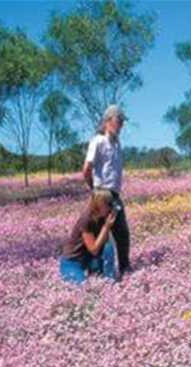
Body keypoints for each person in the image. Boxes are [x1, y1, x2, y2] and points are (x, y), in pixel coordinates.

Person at [83, 104, 131, 274]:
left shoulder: (117, 144)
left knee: (122, 233)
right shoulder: (98, 141)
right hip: (102, 194)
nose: (122, 125)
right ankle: (99, 271)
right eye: (119, 121)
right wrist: (95, 191)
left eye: (122, 122)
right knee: (102, 235)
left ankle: (124, 268)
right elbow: (86, 169)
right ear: (108, 121)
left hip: (115, 195)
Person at [59, 191, 119, 284]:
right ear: (99, 204)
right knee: (82, 284)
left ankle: (110, 280)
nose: (110, 207)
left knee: (108, 247)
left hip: (89, 258)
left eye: (111, 203)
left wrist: (109, 225)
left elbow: (105, 243)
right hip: (73, 260)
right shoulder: (86, 220)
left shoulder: (103, 217)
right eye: (108, 204)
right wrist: (106, 227)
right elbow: (94, 249)